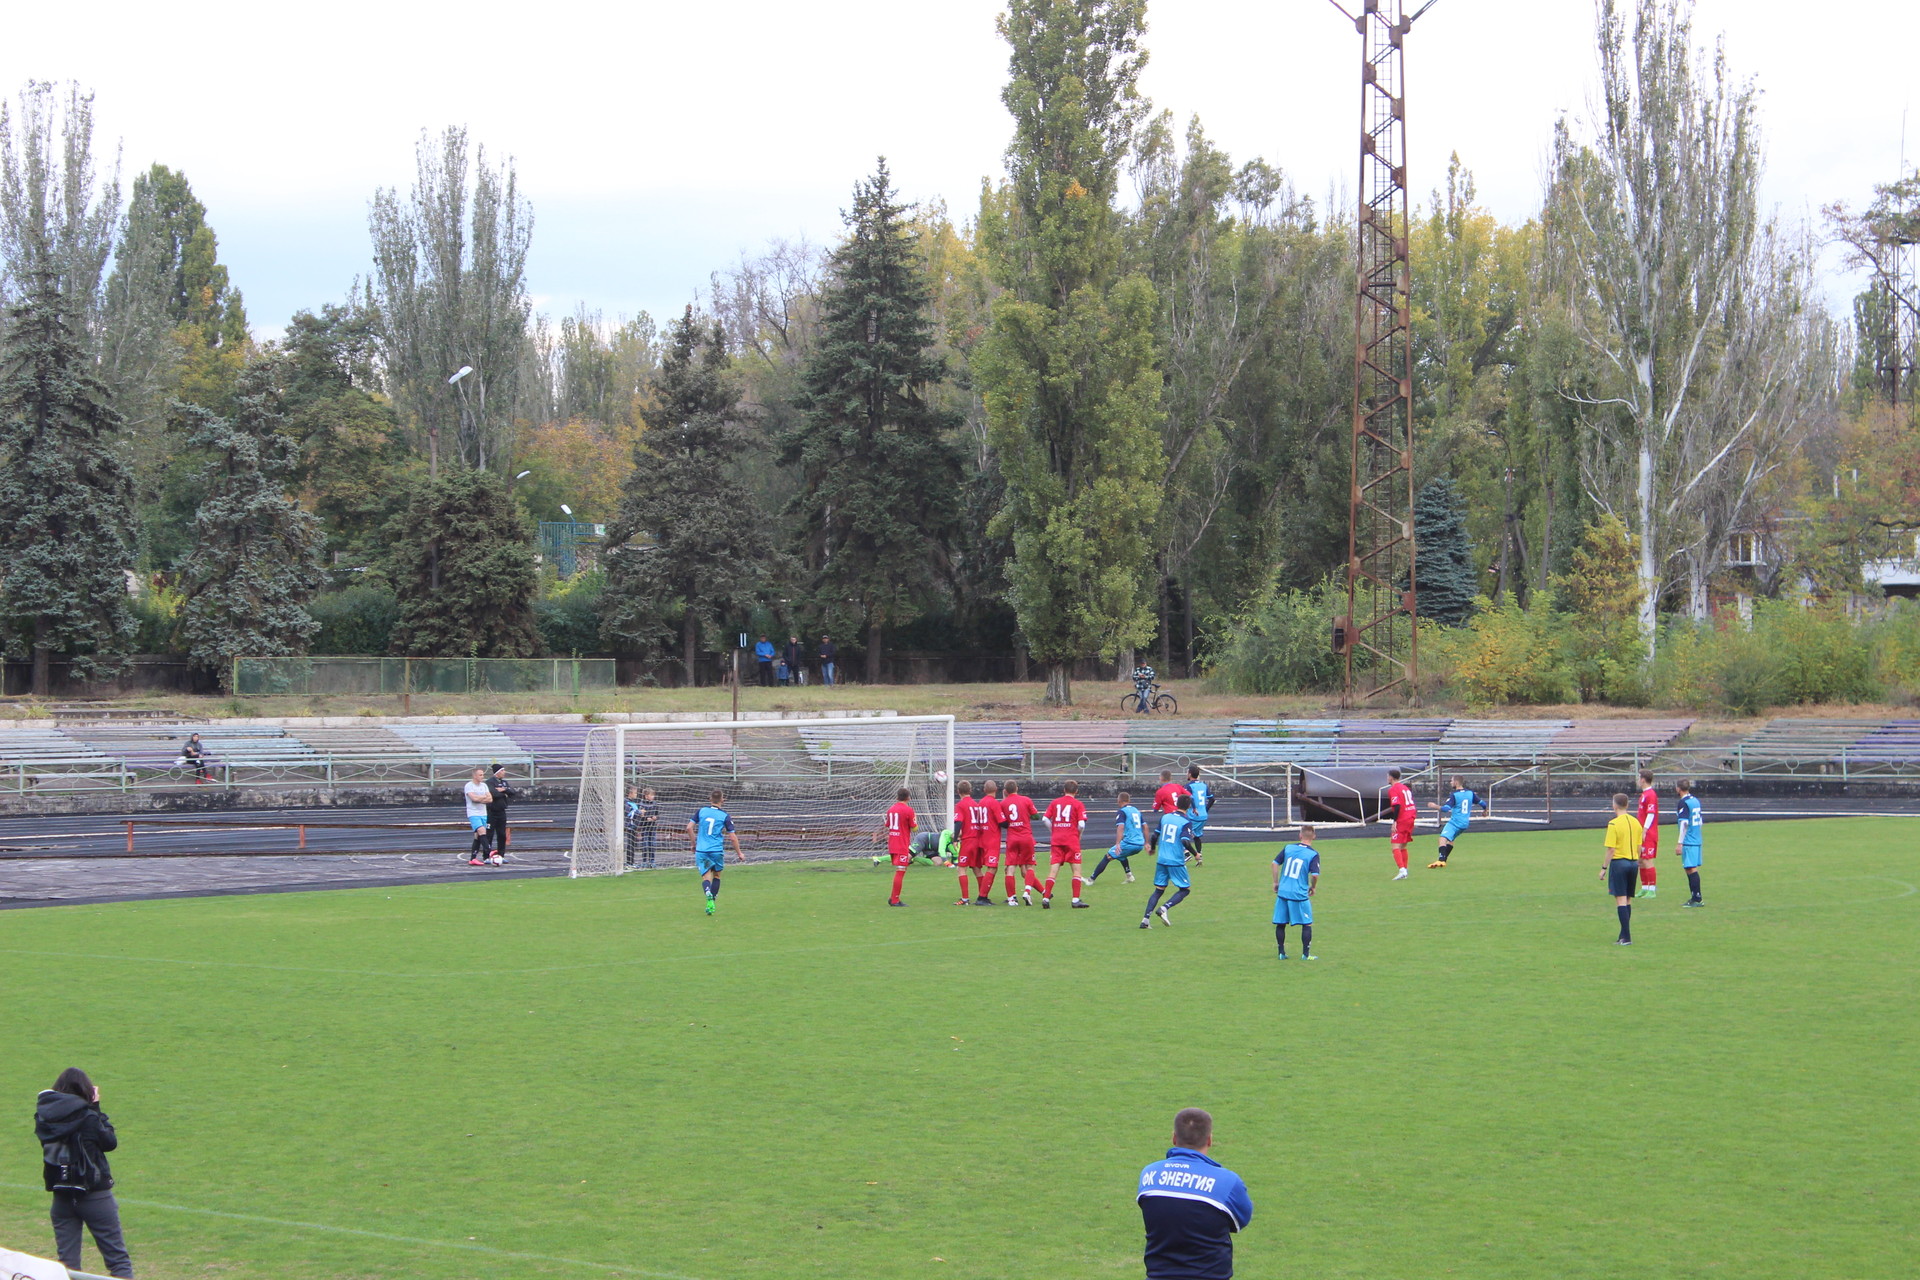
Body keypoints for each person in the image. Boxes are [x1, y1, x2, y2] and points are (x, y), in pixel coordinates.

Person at [36, 1068, 132, 1279]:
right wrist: (96, 1108)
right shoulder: (88, 1116)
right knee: (118, 1262)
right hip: (95, 1195)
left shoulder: (45, 1117)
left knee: (67, 1267)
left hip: (61, 1196)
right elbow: (109, 1142)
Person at [1136, 1107, 1252, 1280]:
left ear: (1174, 1138)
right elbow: (1240, 1222)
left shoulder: (1149, 1174)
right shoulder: (1228, 1182)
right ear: (1209, 1140)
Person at [1141, 795, 1194, 929]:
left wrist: (1152, 848)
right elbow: (1185, 841)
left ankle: (1145, 920)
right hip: (1175, 860)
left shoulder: (1166, 817)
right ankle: (1164, 908)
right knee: (1184, 889)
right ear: (1188, 806)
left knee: (1158, 890)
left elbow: (1155, 836)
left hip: (1162, 859)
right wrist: (1196, 854)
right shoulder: (1185, 821)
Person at [688, 789, 745, 913]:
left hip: (702, 850)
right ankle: (711, 903)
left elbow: (689, 828)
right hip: (716, 850)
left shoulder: (701, 811)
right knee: (717, 876)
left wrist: (693, 844)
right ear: (722, 800)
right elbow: (732, 837)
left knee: (706, 878)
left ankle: (707, 892)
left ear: (710, 799)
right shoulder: (725, 816)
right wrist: (739, 853)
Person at [1602, 792, 1646, 945]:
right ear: (1627, 805)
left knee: (1620, 899)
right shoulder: (1636, 823)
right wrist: (1639, 860)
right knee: (1627, 899)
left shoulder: (1614, 824)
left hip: (1619, 863)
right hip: (1633, 863)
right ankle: (1623, 934)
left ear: (1614, 805)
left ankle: (1626, 937)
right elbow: (1640, 846)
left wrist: (1603, 868)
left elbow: (1611, 849)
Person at [1272, 825, 1321, 960]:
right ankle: (1306, 954)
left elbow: (1275, 863)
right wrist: (1313, 887)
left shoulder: (1288, 848)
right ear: (1314, 837)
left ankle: (1281, 953)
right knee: (1307, 923)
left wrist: (1276, 882)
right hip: (1298, 894)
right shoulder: (1313, 854)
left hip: (1283, 891)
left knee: (1281, 922)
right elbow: (1315, 875)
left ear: (1300, 835)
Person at [1042, 781, 1089, 907]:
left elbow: (1045, 818)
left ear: (1064, 790)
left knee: (1053, 870)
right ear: (1076, 791)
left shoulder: (1055, 802)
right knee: (1076, 870)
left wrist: (1053, 830)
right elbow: (1081, 824)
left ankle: (1046, 898)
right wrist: (1079, 834)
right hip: (1071, 840)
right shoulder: (1078, 804)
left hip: (1057, 840)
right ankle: (1075, 900)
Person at [1085, 790, 1146, 885]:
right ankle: (1130, 876)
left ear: (1119, 801)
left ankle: (1091, 880)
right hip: (1140, 844)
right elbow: (1145, 826)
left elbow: (1120, 827)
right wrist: (1147, 843)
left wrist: (1117, 843)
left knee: (1108, 856)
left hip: (1130, 843)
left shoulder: (1122, 811)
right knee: (1121, 855)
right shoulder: (1136, 810)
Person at [1000, 781, 1045, 905]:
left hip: (1012, 839)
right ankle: (1027, 891)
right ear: (1017, 788)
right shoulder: (1026, 800)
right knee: (1029, 866)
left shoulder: (1003, 803)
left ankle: (1011, 899)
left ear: (1005, 791)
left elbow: (1002, 822)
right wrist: (1025, 817)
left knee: (1010, 868)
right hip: (1026, 837)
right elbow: (1036, 816)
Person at [953, 782, 996, 906]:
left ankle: (965, 899)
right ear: (970, 791)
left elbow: (958, 823)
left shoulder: (960, 805)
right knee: (976, 869)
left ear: (958, 791)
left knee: (961, 868)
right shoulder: (976, 805)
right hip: (978, 840)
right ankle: (983, 896)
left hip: (968, 840)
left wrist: (955, 839)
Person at [1428, 776, 1485, 868]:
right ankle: (1444, 859)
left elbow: (1446, 809)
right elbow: (1483, 803)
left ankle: (1441, 860)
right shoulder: (1470, 793)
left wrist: (1434, 806)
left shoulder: (1454, 795)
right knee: (1450, 840)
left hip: (1455, 822)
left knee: (1442, 839)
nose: (1450, 782)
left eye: (1451, 781)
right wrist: (1485, 811)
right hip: (1464, 824)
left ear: (1456, 782)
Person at [883, 787, 917, 906]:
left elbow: (887, 825)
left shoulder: (891, 810)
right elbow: (914, 828)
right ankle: (895, 900)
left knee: (901, 869)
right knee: (901, 870)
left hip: (892, 843)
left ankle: (893, 897)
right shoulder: (908, 810)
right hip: (901, 843)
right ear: (908, 797)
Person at [1146, 771, 1191, 859]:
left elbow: (1155, 809)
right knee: (1180, 834)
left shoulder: (1160, 792)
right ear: (1170, 778)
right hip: (1182, 815)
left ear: (1161, 778)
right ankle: (1185, 851)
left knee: (1166, 835)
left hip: (1170, 816)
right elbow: (1189, 796)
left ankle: (1182, 853)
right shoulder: (1177, 786)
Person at [1676, 779, 1704, 906]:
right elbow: (1700, 820)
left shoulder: (1684, 802)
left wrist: (1679, 843)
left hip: (1689, 840)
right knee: (1689, 868)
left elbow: (1684, 823)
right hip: (1696, 838)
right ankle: (1694, 896)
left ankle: (1697, 898)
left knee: (1691, 868)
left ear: (1678, 789)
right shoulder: (1695, 800)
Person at [1384, 767, 1417, 880]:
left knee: (1395, 845)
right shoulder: (1405, 788)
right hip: (1411, 817)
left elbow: (1397, 805)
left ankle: (1402, 870)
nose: (1387, 778)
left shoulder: (1393, 789)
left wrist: (1395, 822)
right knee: (1403, 845)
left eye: (1388, 776)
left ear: (1391, 777)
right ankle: (1405, 870)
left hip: (1402, 819)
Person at [1635, 769, 1659, 898]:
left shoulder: (1650, 795)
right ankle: (1644, 887)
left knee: (1648, 860)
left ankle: (1652, 889)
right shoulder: (1644, 795)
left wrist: (1644, 830)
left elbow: (1651, 814)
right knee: (1641, 860)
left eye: (1639, 778)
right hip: (1642, 832)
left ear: (1643, 779)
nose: (1638, 780)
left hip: (1649, 833)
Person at [462, 767, 494, 866]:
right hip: (473, 813)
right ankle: (489, 850)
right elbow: (473, 799)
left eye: (483, 775)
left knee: (477, 836)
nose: (482, 777)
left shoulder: (484, 785)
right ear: (474, 776)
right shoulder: (469, 786)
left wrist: (480, 798)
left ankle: (473, 858)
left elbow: (490, 799)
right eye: (480, 775)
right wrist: (483, 798)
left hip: (483, 813)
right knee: (482, 831)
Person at [624, 786, 660, 869]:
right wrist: (643, 816)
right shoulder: (631, 803)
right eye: (635, 793)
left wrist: (655, 817)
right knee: (641, 844)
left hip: (651, 826)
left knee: (651, 844)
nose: (636, 794)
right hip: (638, 826)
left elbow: (657, 814)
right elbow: (630, 813)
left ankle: (651, 861)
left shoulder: (654, 804)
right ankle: (635, 862)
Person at [485, 763, 514, 865]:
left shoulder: (504, 783)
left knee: (502, 835)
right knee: (489, 834)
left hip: (502, 812)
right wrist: (504, 793)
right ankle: (486, 856)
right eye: (502, 770)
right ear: (497, 773)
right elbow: (493, 793)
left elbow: (513, 792)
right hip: (491, 812)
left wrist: (505, 790)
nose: (504, 772)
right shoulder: (489, 782)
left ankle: (501, 854)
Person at [1184, 765, 1212, 865]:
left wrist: (1194, 808)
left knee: (1182, 834)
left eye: (1187, 772)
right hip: (1203, 816)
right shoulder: (1204, 785)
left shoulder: (1188, 786)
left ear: (1190, 774)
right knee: (1196, 836)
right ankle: (1199, 858)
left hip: (1193, 816)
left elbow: (1190, 798)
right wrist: (1205, 809)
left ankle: (1187, 854)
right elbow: (1212, 799)